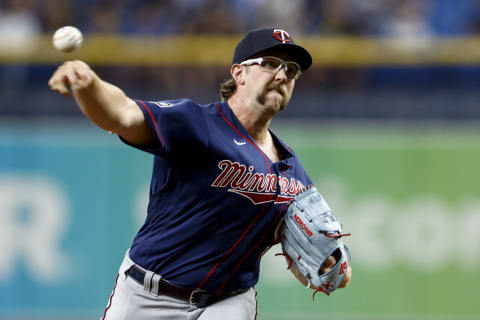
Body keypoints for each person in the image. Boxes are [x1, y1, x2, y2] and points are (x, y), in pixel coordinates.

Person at [48, 27, 352, 320]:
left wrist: (332, 265)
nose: (282, 74)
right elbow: (123, 114)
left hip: (227, 302)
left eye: (292, 70)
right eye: (270, 63)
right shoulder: (196, 123)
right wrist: (89, 85)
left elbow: (314, 264)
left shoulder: (290, 170)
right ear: (239, 73)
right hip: (147, 293)